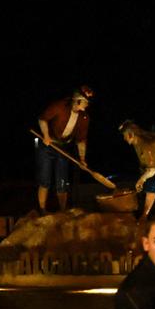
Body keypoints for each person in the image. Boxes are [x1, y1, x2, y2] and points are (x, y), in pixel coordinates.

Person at [35, 85, 93, 213]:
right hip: (48, 145)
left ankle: (62, 210)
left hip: (63, 147)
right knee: (45, 179)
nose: (87, 105)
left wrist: (82, 159)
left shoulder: (84, 118)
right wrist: (46, 135)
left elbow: (81, 140)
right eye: (85, 102)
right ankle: (42, 209)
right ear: (77, 100)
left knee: (62, 180)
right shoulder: (59, 106)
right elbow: (42, 119)